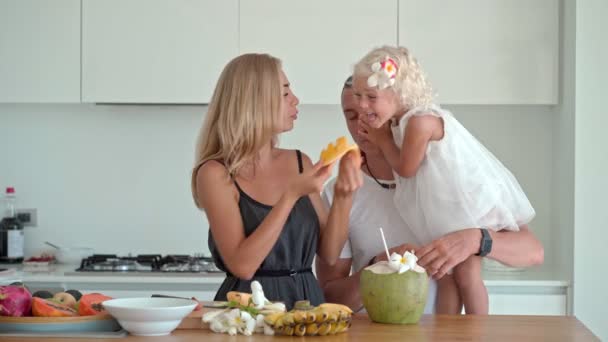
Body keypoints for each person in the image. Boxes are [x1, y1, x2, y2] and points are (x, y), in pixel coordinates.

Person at [316, 76, 544, 314]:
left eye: (372, 113)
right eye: (351, 116)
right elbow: (328, 298)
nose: (361, 124)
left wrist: (475, 240)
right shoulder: (340, 191)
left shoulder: (443, 176)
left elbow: (533, 252)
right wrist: (377, 267)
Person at [191, 54, 362, 310]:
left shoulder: (299, 161)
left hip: (306, 305)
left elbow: (329, 254)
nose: (295, 99)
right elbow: (243, 265)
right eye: (284, 93)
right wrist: (290, 196)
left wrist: (344, 194)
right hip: (247, 313)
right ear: (255, 102)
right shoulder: (215, 174)